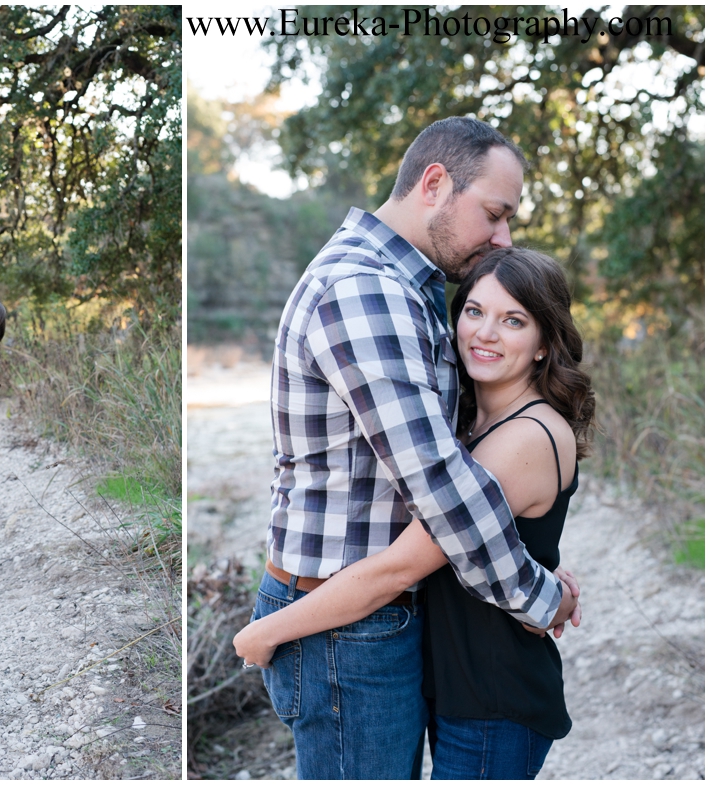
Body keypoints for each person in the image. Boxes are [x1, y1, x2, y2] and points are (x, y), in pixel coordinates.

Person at [231, 117, 581, 780]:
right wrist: (539, 594)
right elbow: (444, 485)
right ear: (434, 183)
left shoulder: (409, 289)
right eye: (495, 213)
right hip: (344, 629)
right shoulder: (365, 288)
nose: (503, 237)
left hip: (372, 617)